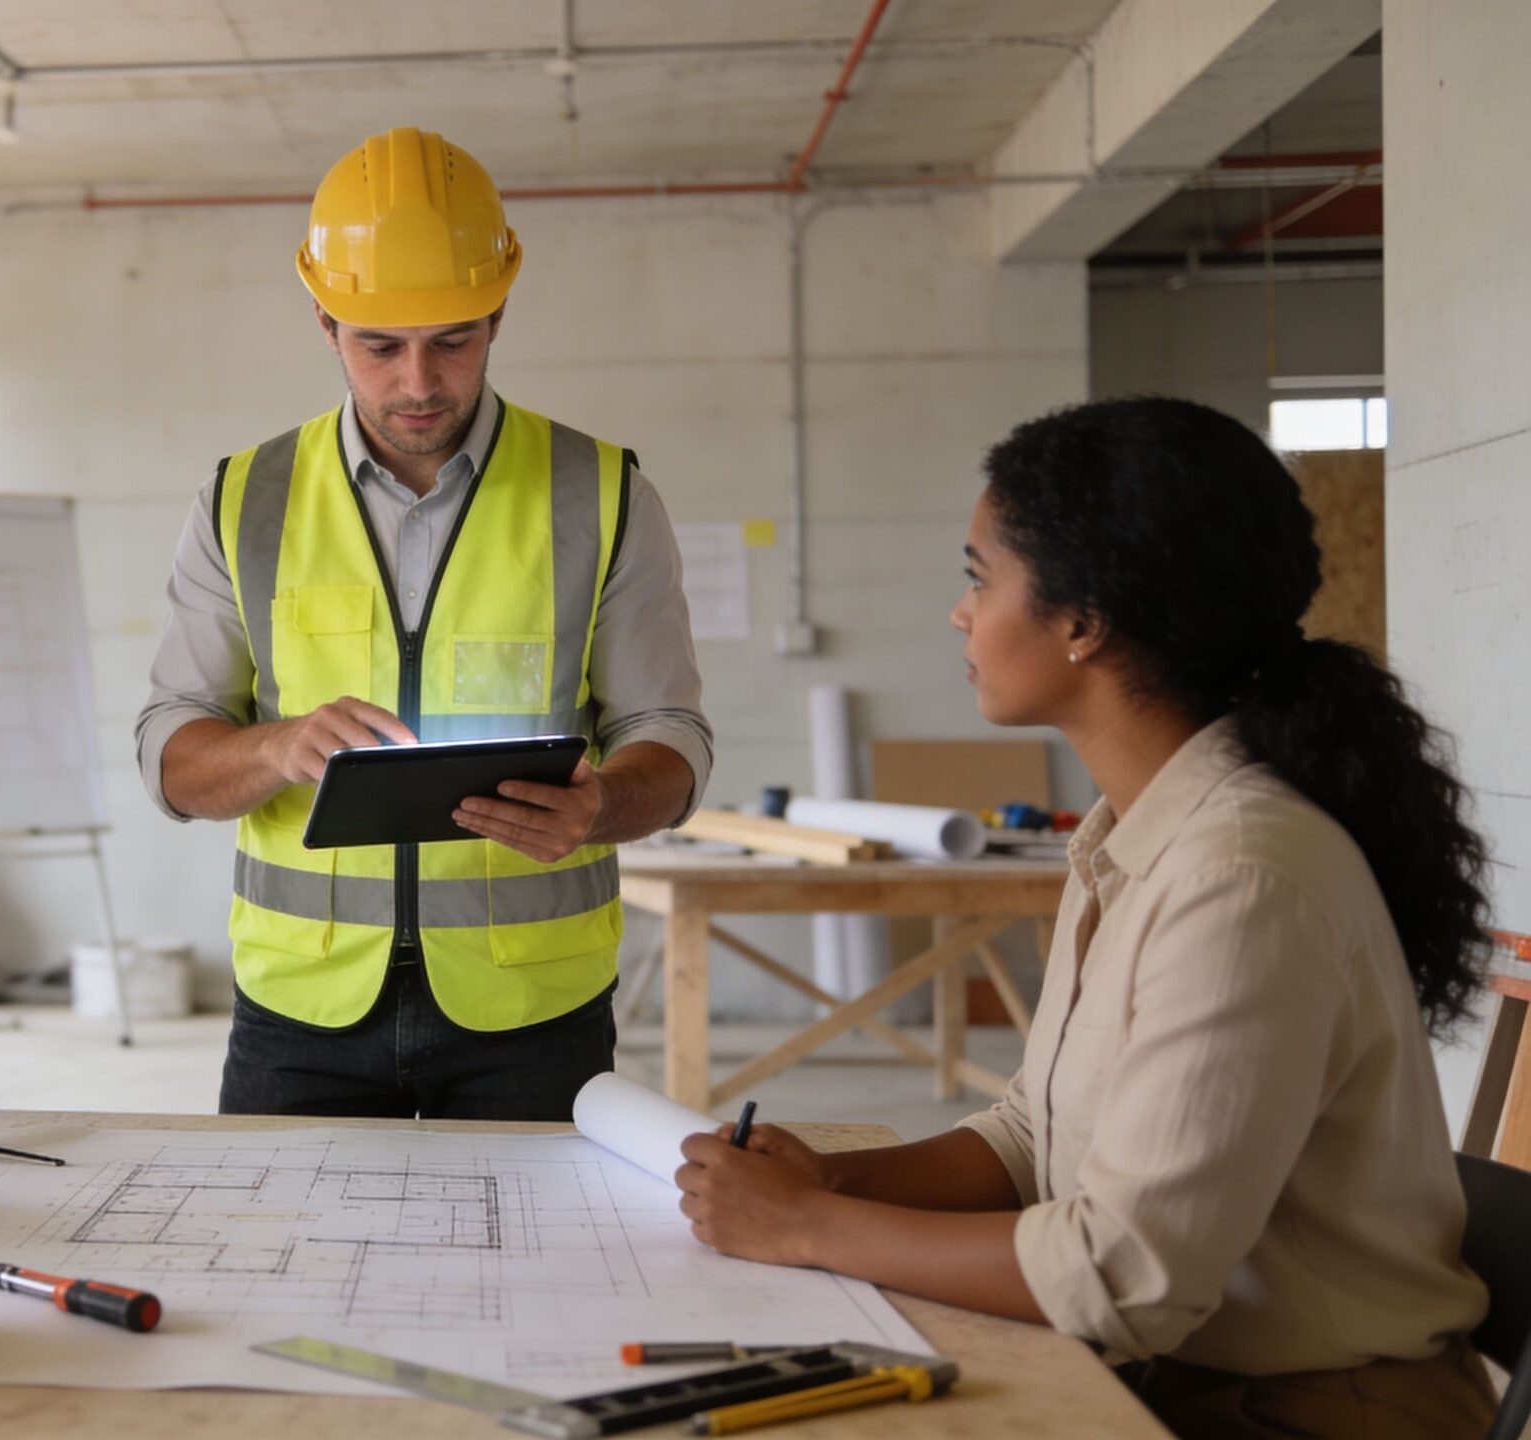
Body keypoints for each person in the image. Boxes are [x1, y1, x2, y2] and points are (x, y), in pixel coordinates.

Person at [673, 397, 1496, 1439]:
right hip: (1169, 1379)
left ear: (1082, 620)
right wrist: (828, 1176)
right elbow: (1031, 1138)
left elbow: (1122, 1275)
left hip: (1312, 1414)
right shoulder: (1132, 835)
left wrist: (809, 1228)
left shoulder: (1241, 875)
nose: (960, 614)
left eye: (979, 578)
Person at [135, 127, 713, 1121]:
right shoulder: (244, 498)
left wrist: (601, 807)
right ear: (324, 321)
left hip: (534, 1010)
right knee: (278, 1279)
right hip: (299, 1013)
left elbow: (671, 737)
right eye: (379, 345)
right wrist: (276, 746)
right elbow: (167, 756)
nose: (417, 382)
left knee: (543, 1281)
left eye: (452, 338)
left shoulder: (602, 493)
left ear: (497, 311)